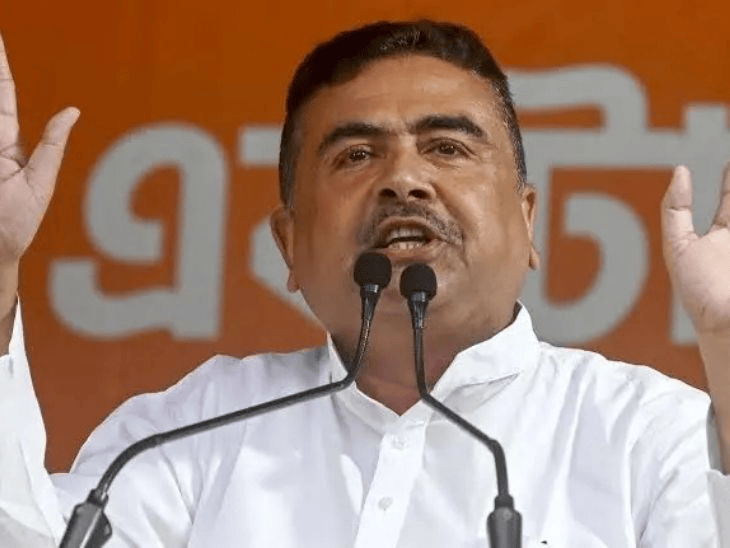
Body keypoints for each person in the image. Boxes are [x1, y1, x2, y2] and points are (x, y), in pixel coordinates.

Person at [1, 19, 730, 547]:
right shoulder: (192, 429)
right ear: (289, 245)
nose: (405, 180)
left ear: (528, 221)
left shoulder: (651, 435)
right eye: (355, 155)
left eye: (447, 147)